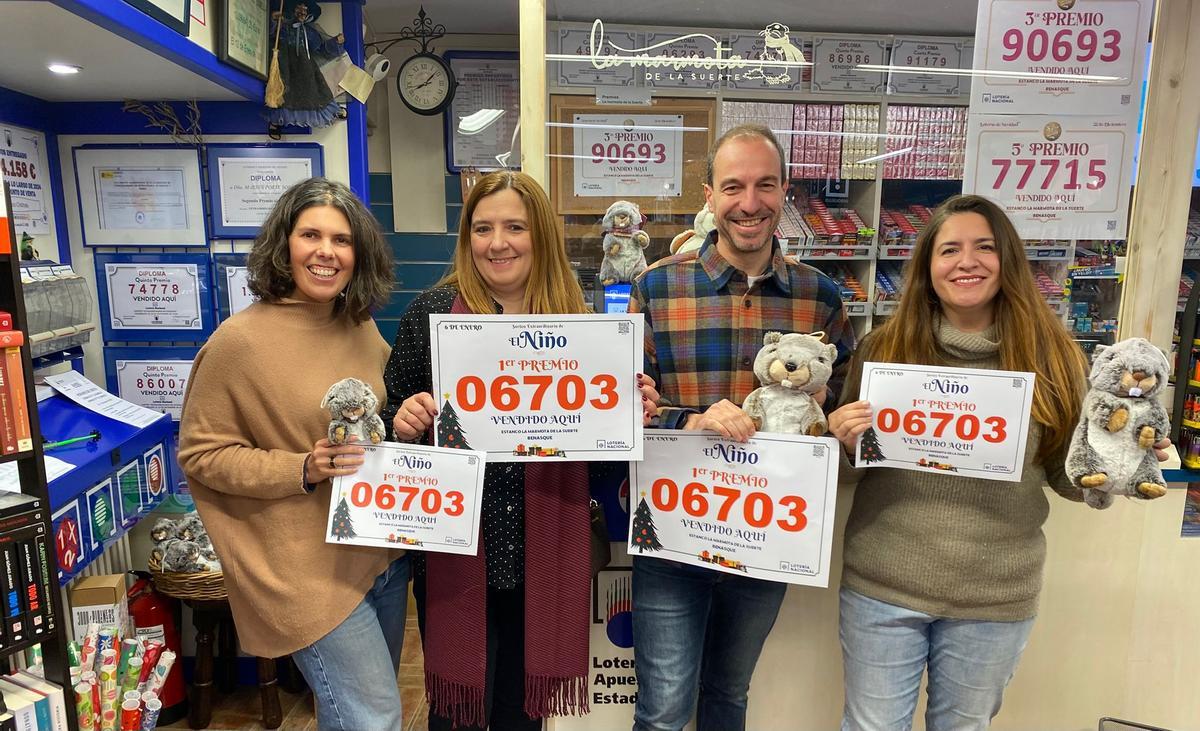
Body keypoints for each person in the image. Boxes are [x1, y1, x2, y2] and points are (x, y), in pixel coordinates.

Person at [827, 193, 1168, 730]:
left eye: (984, 247)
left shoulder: (1054, 357)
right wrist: (842, 441)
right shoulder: (883, 350)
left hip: (995, 595)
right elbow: (850, 469)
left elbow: (1066, 475)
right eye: (950, 250)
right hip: (883, 585)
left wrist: (1119, 465)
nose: (967, 262)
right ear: (927, 267)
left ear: (1007, 260)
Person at [383, 170, 659, 730]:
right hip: (456, 548)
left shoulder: (583, 328)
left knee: (521, 714)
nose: (497, 242)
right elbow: (390, 428)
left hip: (543, 545)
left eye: (514, 226)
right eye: (482, 228)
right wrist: (403, 421)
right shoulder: (429, 318)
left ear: (541, 238)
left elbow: (602, 460)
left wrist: (631, 413)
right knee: (456, 712)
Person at [629, 123, 856, 731]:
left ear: (785, 191)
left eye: (764, 185)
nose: (749, 203)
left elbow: (833, 411)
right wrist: (693, 417)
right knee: (662, 711)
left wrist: (839, 429)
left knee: (728, 695)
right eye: (733, 186)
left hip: (766, 535)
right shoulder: (657, 286)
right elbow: (627, 410)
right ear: (709, 195)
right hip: (673, 526)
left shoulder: (821, 298)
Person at [178, 177, 407, 731]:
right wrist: (301, 467)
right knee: (374, 719)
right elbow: (202, 454)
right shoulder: (239, 342)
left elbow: (381, 411)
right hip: (301, 569)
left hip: (377, 554)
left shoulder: (358, 324)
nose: (327, 252)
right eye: (311, 235)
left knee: (348, 715)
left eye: (342, 239)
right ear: (284, 244)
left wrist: (406, 418)